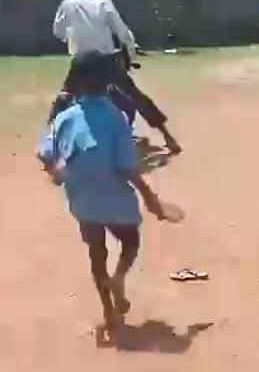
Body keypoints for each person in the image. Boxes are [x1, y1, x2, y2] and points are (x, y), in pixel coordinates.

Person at [38, 51, 167, 329]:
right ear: (108, 81)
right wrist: (149, 197)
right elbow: (125, 167)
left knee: (96, 253)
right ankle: (118, 278)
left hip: (82, 201)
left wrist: (54, 170)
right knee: (130, 242)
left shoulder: (64, 117)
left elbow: (45, 151)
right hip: (115, 199)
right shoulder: (115, 116)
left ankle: (108, 310)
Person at [52, 0, 182, 154]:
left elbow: (58, 32)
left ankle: (51, 140)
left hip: (82, 60)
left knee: (65, 95)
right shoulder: (103, 3)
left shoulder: (68, 3)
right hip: (106, 59)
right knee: (134, 94)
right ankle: (167, 137)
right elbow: (122, 32)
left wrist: (72, 37)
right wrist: (131, 56)